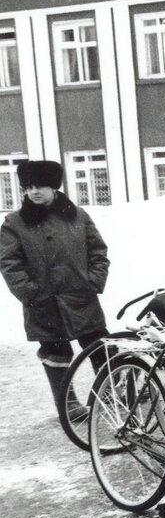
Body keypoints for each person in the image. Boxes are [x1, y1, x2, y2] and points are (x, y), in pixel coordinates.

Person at [0, 160, 109, 411]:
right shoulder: (15, 223)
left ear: (54, 186)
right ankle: (68, 405)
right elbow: (9, 263)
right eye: (27, 187)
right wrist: (30, 293)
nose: (33, 192)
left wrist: (93, 282)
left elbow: (98, 252)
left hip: (81, 297)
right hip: (44, 301)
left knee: (100, 347)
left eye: (39, 186)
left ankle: (114, 394)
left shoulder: (78, 216)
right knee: (55, 352)